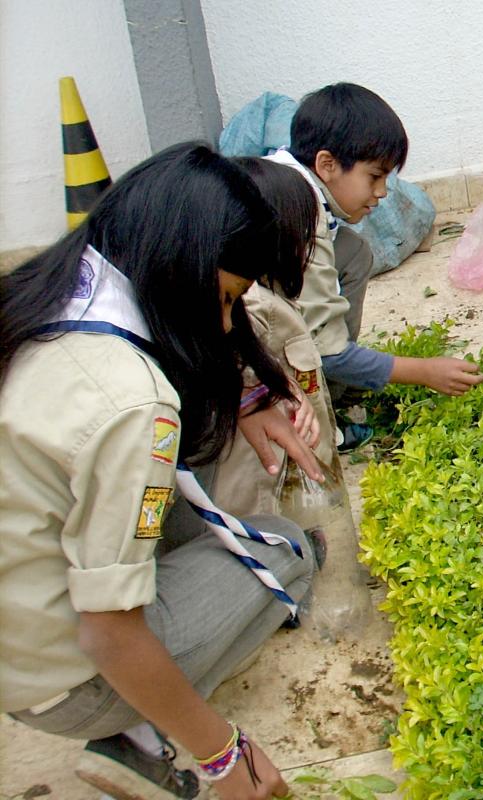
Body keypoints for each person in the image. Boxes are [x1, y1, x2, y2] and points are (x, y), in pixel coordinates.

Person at [0, 143, 317, 800]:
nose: (227, 322)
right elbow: (109, 633)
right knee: (288, 549)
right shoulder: (133, 403)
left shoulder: (48, 293)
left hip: (17, 620)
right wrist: (224, 756)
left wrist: (249, 396)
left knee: (182, 483)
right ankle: (135, 737)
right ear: (179, 267)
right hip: (65, 680)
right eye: (226, 299)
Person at [267, 83, 483, 449]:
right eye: (374, 177)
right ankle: (313, 416)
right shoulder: (300, 218)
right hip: (228, 349)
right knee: (322, 349)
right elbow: (323, 350)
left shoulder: (289, 178)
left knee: (351, 251)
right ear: (327, 164)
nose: (382, 193)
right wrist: (423, 372)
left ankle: (335, 388)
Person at [210, 157, 338, 523]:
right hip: (265, 490)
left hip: (298, 466)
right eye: (308, 234)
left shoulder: (276, 298)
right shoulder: (253, 308)